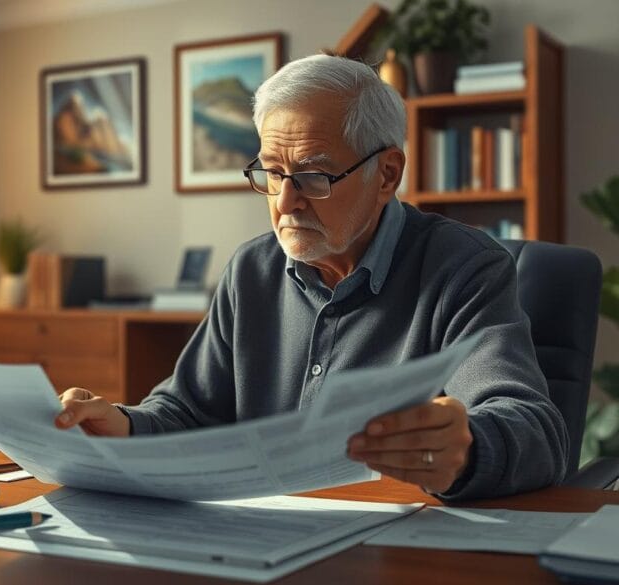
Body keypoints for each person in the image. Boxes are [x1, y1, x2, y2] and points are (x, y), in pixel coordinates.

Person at [53, 54, 568, 500]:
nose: (285, 202)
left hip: (394, 544)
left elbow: (537, 429)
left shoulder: (465, 268)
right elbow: (188, 412)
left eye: (314, 176)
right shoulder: (251, 271)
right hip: (261, 540)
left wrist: (469, 449)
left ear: (387, 174)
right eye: (272, 173)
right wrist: (124, 425)